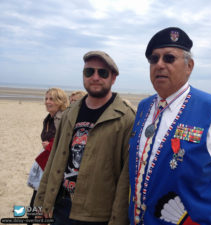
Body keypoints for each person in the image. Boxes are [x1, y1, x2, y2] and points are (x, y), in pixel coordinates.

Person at [128, 27, 211, 225]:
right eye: (153, 59)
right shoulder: (143, 108)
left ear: (189, 66)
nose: (159, 64)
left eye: (169, 58)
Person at [34, 51, 135, 224]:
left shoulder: (126, 118)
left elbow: (125, 178)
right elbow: (54, 160)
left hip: (95, 215)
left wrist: (118, 220)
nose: (95, 77)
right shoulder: (69, 113)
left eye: (102, 72)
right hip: (59, 206)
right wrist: (42, 202)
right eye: (89, 72)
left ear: (113, 78)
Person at [27, 87, 69, 225]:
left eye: (51, 99)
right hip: (45, 162)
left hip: (55, 167)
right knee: (38, 198)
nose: (47, 102)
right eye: (46, 99)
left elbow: (65, 143)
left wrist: (50, 146)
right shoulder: (50, 118)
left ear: (60, 101)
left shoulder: (62, 117)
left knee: (43, 200)